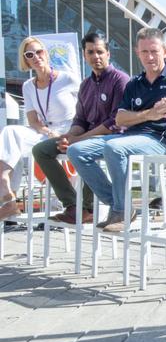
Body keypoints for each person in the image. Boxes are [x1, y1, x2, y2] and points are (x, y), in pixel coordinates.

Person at [67, 28, 166, 233]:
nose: (150, 57)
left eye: (154, 51)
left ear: (165, 51)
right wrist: (149, 114)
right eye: (144, 52)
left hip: (161, 142)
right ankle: (120, 203)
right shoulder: (135, 83)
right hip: (130, 138)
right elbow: (120, 118)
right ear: (137, 53)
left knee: (115, 147)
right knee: (76, 151)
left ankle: (121, 211)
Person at [33, 31, 129, 225]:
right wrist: (69, 136)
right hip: (89, 136)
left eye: (100, 51)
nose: (96, 56)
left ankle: (91, 207)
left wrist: (79, 139)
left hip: (115, 137)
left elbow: (116, 122)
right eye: (91, 52)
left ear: (108, 54)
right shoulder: (85, 85)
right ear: (84, 55)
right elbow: (80, 120)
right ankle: (72, 206)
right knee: (41, 150)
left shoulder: (120, 80)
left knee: (79, 149)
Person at [0, 37, 79, 222]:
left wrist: (76, 132)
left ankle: (7, 200)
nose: (36, 56)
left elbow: (87, 107)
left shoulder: (68, 79)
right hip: (45, 132)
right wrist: (46, 131)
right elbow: (32, 119)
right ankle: (7, 193)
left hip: (69, 131)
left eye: (39, 51)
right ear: (26, 60)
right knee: (10, 132)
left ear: (46, 53)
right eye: (30, 54)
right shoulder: (28, 86)